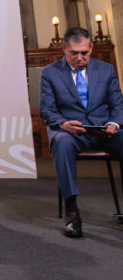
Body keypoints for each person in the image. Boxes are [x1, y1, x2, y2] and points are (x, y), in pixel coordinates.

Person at [39, 27, 123, 238]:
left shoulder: (106, 70)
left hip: (104, 131)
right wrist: (63, 123)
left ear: (91, 48)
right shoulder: (49, 73)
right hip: (71, 133)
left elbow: (118, 105)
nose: (79, 58)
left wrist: (114, 123)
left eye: (84, 53)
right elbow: (47, 110)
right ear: (64, 49)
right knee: (61, 142)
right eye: (74, 53)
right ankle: (72, 211)